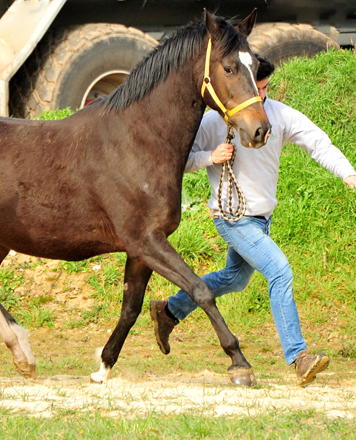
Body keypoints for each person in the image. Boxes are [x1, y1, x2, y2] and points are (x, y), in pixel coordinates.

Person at [149, 55, 356, 386]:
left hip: (261, 219)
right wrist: (209, 157)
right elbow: (176, 159)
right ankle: (299, 357)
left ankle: (169, 311)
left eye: (264, 89)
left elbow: (318, 143)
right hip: (232, 217)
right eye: (254, 88)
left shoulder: (279, 115)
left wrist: (348, 173)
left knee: (235, 278)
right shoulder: (214, 121)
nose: (260, 96)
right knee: (279, 271)